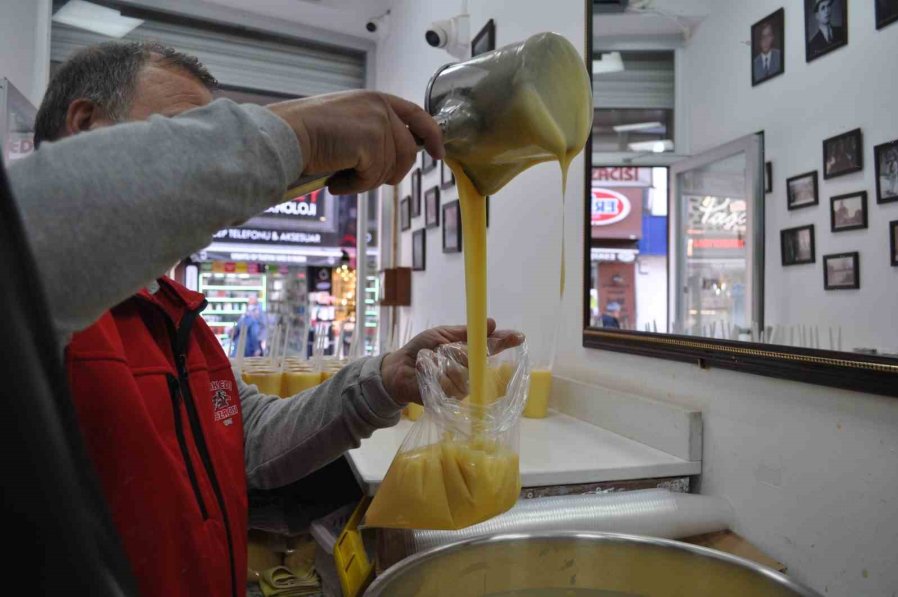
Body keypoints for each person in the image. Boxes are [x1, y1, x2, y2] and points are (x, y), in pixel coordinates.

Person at [11, 41, 524, 597]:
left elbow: (249, 442)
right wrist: (301, 135)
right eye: (188, 132)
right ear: (86, 126)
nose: (217, 163)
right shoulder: (36, 305)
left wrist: (384, 379)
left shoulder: (177, 317)